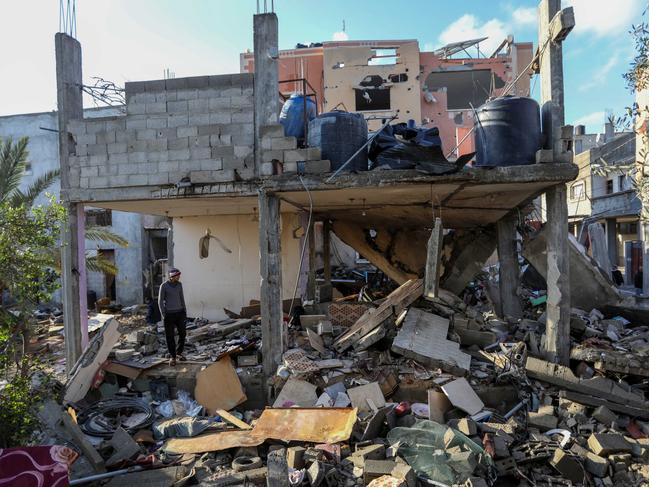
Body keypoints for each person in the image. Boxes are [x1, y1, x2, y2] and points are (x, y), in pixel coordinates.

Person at [158, 268, 187, 366]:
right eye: (177, 275)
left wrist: (184, 311)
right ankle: (173, 357)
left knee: (182, 333)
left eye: (179, 275)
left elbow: (182, 298)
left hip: (180, 313)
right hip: (169, 314)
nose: (179, 277)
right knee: (170, 336)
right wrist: (163, 314)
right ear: (172, 276)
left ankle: (179, 353)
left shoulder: (179, 285)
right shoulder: (164, 286)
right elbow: (160, 301)